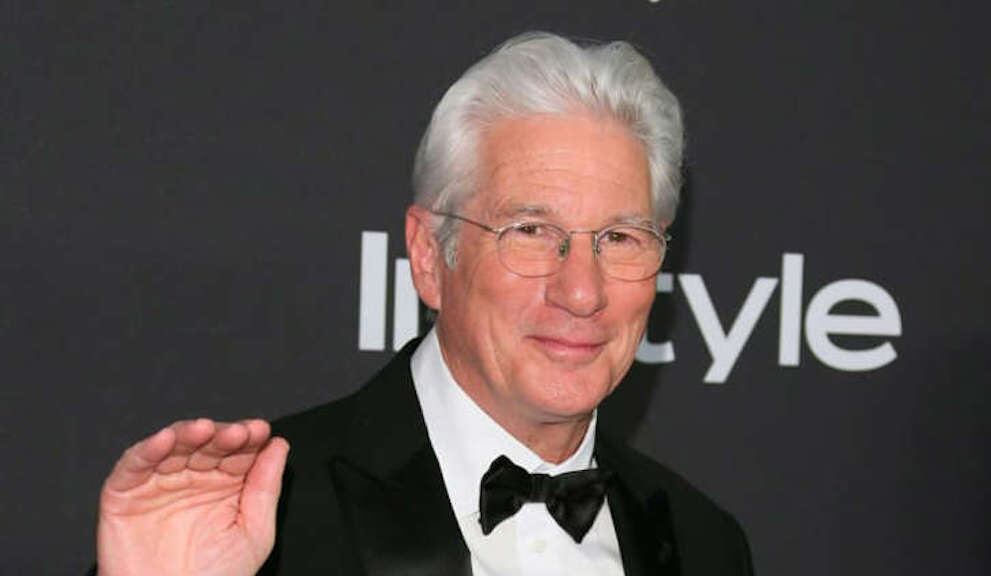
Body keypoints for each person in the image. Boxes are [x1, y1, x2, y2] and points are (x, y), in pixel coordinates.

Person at [95, 31, 754, 575]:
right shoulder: (258, 519)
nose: (582, 291)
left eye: (620, 238)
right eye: (530, 231)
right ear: (430, 256)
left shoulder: (704, 545)